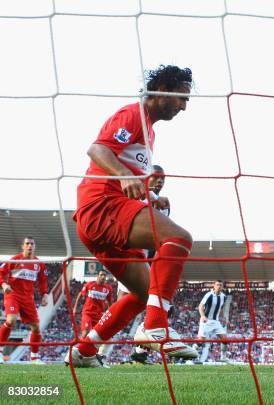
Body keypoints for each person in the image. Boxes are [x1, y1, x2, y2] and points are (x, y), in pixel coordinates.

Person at [65, 65, 197, 368]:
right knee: (179, 238)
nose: (183, 107)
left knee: (142, 293)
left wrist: (151, 197)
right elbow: (98, 149)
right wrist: (124, 175)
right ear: (162, 88)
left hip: (104, 217)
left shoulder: (149, 131)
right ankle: (155, 327)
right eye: (181, 98)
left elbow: (130, 175)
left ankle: (83, 353)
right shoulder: (132, 114)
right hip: (102, 207)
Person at [113, 164, 168, 365]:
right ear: (146, 178)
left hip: (151, 264)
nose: (160, 180)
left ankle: (139, 353)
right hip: (130, 259)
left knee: (153, 308)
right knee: (121, 308)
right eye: (156, 177)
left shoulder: (164, 205)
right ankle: (96, 349)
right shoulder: (134, 195)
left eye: (163, 178)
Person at [0, 237, 48, 364]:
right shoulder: (15, 259)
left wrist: (44, 294)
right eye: (27, 244)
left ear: (35, 246)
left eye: (32, 243)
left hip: (28, 298)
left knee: (36, 327)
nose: (30, 246)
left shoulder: (39, 264)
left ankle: (34, 358)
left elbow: (43, 280)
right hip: (13, 295)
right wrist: (4, 285)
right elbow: (1, 272)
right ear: (23, 246)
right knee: (11, 320)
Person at [197, 280, 230, 363]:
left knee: (225, 340)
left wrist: (224, 318)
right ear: (214, 286)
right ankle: (194, 356)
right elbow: (200, 306)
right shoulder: (209, 295)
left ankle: (223, 357)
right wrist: (203, 316)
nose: (219, 286)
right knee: (200, 342)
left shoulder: (223, 296)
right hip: (206, 321)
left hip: (216, 322)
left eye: (220, 285)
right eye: (217, 285)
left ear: (222, 287)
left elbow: (220, 308)